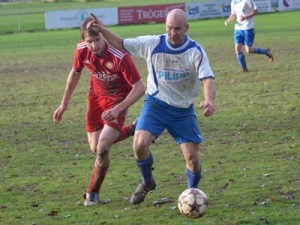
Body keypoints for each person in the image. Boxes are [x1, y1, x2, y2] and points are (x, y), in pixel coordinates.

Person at [88, 8, 216, 205]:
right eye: (169, 28)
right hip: (155, 104)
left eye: (178, 29)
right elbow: (121, 43)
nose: (173, 33)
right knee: (139, 145)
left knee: (192, 158)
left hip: (182, 110)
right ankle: (147, 182)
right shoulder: (153, 44)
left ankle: (192, 195)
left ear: (186, 28)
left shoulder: (195, 51)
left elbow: (207, 78)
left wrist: (209, 100)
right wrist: (103, 30)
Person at [52, 15, 146, 206]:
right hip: (95, 99)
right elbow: (74, 74)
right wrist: (64, 104)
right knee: (95, 148)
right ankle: (130, 130)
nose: (94, 45)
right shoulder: (81, 50)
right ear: (83, 40)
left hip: (118, 101)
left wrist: (119, 109)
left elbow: (139, 87)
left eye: (97, 40)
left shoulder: (120, 56)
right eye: (89, 41)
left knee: (102, 148)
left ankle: (92, 194)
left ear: (103, 36)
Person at [224, 0, 273, 72]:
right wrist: (228, 21)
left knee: (249, 50)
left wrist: (245, 17)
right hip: (238, 28)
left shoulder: (247, 0)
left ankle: (265, 51)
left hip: (248, 28)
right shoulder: (233, 1)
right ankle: (244, 68)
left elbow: (256, 11)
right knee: (237, 48)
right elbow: (233, 14)